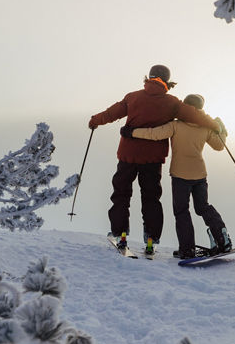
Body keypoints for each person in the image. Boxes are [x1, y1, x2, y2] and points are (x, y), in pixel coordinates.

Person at [89, 65, 219, 254]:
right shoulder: (172, 103)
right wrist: (214, 124)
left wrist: (95, 120)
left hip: (128, 155)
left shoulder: (132, 97)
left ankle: (120, 234)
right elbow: (194, 115)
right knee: (151, 198)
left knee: (121, 194)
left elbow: (111, 113)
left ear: (149, 78)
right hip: (153, 159)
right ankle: (151, 238)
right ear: (167, 81)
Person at [121, 93, 231, 260]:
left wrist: (132, 132)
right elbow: (219, 146)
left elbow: (154, 134)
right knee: (203, 207)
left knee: (182, 212)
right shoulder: (205, 127)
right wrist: (223, 130)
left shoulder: (176, 125)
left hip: (180, 175)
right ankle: (222, 238)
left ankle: (187, 250)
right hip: (200, 174)